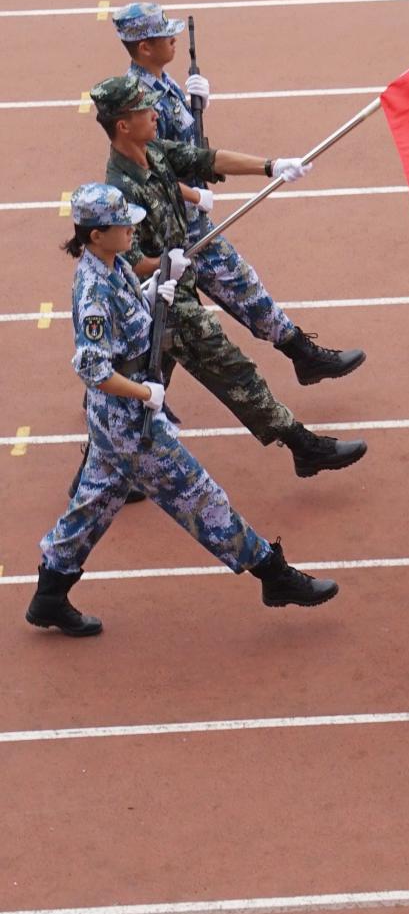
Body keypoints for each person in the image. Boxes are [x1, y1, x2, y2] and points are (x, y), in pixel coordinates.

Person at [27, 186, 340, 640]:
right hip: (128, 423)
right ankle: (272, 574)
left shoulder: (113, 266)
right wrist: (146, 393)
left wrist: (156, 291)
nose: (131, 229)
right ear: (96, 234)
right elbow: (92, 368)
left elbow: (129, 323)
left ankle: (49, 595)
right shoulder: (93, 290)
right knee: (200, 495)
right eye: (123, 224)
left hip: (117, 420)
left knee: (95, 503)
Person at [91, 74, 368, 477]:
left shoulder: (154, 152)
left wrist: (272, 166)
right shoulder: (120, 190)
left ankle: (108, 466)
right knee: (233, 370)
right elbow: (128, 262)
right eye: (144, 109)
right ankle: (303, 446)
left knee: (141, 383)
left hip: (177, 279)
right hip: (162, 298)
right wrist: (165, 262)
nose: (155, 113)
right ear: (123, 125)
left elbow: (208, 159)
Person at [113, 5, 367, 384]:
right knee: (217, 296)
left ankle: (124, 384)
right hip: (174, 226)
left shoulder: (163, 84)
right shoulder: (140, 101)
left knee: (177, 314)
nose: (174, 39)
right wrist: (196, 195)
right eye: (165, 35)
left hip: (188, 220)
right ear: (145, 47)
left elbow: (186, 149)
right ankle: (302, 355)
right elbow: (151, 170)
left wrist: (195, 106)